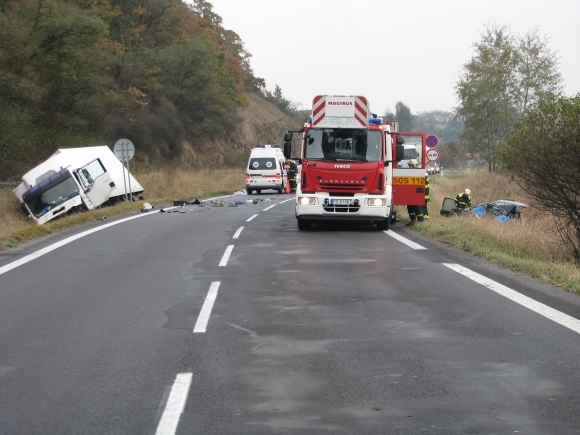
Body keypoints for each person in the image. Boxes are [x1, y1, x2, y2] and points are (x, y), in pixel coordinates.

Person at [406, 159, 424, 225]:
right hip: (410, 193)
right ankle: (413, 221)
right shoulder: (408, 173)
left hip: (417, 193)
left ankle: (421, 221)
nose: (410, 167)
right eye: (409, 165)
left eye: (411, 165)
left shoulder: (419, 173)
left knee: (417, 207)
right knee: (410, 207)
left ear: (415, 165)